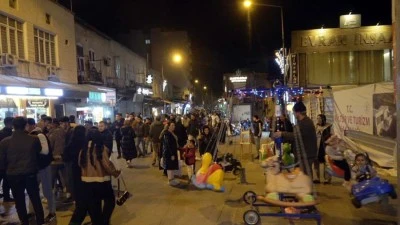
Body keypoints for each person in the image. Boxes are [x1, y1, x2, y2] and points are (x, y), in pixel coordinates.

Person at [0, 117, 45, 225]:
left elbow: (2, 161)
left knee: (19, 200)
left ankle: (24, 221)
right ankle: (40, 221)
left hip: (13, 174)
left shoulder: (5, 142)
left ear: (13, 126)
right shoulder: (34, 139)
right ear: (26, 125)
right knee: (35, 198)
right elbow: (39, 154)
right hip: (30, 173)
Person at [79, 130, 120, 225]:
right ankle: (105, 220)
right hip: (102, 181)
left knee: (94, 204)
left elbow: (79, 164)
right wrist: (115, 173)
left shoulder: (83, 150)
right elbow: (107, 164)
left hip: (87, 181)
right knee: (110, 201)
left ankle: (97, 222)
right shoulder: (101, 148)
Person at [273, 101, 317, 178]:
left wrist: (282, 134)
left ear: (298, 113)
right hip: (303, 154)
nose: (293, 114)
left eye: (294, 112)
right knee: (300, 175)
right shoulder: (303, 122)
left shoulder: (305, 123)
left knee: (304, 177)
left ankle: (306, 189)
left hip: (306, 154)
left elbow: (296, 135)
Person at [26, 118, 56, 223]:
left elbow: (45, 151)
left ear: (31, 125)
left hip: (43, 167)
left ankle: (52, 211)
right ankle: (31, 211)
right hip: (35, 168)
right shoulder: (30, 136)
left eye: (27, 126)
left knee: (47, 190)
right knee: (33, 190)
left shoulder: (39, 135)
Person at [66, 126, 88, 225]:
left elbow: (65, 157)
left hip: (75, 171)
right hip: (85, 172)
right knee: (87, 197)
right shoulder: (86, 144)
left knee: (79, 195)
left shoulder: (71, 144)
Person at [314, 114, 332, 184]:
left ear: (323, 119)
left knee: (326, 163)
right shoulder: (316, 126)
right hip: (316, 146)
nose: (318, 120)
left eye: (320, 118)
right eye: (317, 118)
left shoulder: (328, 127)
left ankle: (327, 179)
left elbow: (330, 136)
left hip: (325, 147)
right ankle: (316, 178)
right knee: (316, 163)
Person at [161, 122, 180, 186]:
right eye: (172, 125)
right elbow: (167, 145)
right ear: (168, 126)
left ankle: (172, 178)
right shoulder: (167, 134)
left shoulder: (172, 133)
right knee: (169, 166)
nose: (173, 126)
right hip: (169, 153)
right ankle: (170, 180)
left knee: (172, 166)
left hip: (173, 152)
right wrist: (171, 154)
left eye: (174, 125)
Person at [0, 117, 14, 203]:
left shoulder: (1, 132)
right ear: (9, 123)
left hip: (2, 160)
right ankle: (6, 197)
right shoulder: (9, 134)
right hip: (6, 160)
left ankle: (6, 196)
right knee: (6, 179)